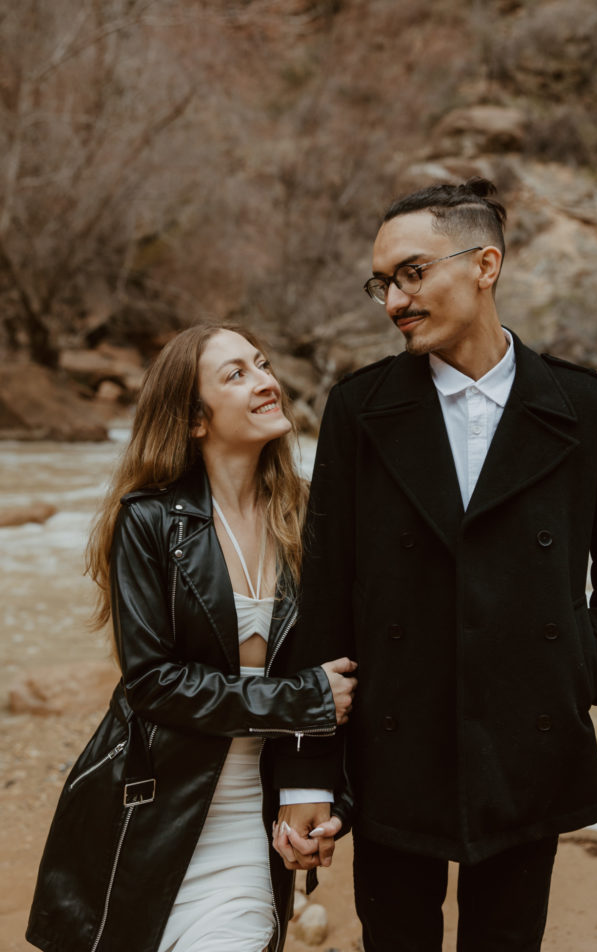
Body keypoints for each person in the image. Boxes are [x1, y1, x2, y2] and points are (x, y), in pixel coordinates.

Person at [272, 178, 597, 951]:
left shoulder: (580, 405)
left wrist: (579, 669)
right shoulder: (359, 409)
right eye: (382, 282)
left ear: (485, 265)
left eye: (412, 273)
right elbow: (323, 596)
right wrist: (309, 773)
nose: (392, 299)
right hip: (392, 746)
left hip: (529, 744)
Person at [26, 322, 357, 952]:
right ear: (195, 419)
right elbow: (153, 682)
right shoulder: (147, 522)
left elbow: (345, 674)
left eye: (262, 364)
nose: (266, 382)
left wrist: (324, 795)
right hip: (147, 816)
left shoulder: (312, 520)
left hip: (248, 828)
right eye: (237, 374)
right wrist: (299, 700)